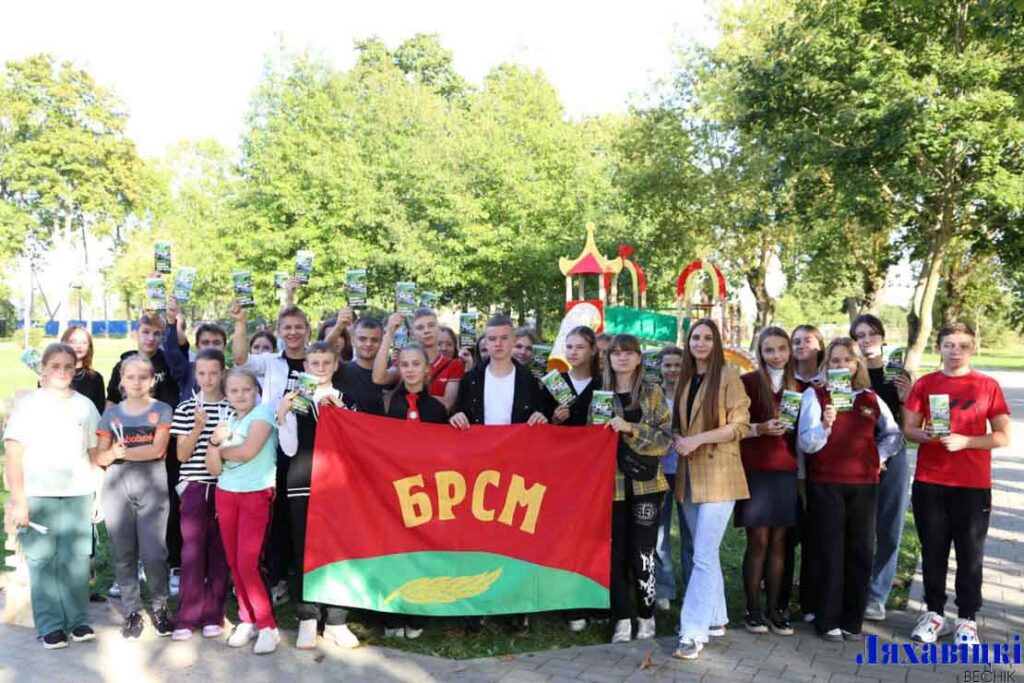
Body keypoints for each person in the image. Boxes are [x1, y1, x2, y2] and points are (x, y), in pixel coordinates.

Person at [904, 322, 1011, 646]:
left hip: (972, 484)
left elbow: (1003, 436)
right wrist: (924, 434)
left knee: (970, 554)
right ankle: (934, 614)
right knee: (933, 551)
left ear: (973, 348)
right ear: (938, 347)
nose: (955, 351)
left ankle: (967, 618)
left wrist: (967, 442)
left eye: (963, 345)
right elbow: (909, 428)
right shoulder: (925, 384)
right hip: (930, 482)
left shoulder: (987, 385)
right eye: (949, 345)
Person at [798, 338, 902, 642]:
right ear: (826, 364)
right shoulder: (815, 395)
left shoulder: (870, 397)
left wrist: (877, 458)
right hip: (826, 482)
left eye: (847, 360)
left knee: (860, 550)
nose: (841, 365)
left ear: (857, 364)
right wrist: (825, 425)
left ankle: (851, 620)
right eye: (835, 360)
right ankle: (826, 618)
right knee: (830, 550)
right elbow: (806, 443)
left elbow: (893, 435)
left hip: (864, 485)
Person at [450, 314, 548, 634]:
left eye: (504, 338)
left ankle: (518, 607)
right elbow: (458, 413)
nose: (498, 344)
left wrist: (542, 416)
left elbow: (546, 415)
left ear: (513, 341)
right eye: (492, 339)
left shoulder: (531, 380)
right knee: (479, 536)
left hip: (519, 468)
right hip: (479, 469)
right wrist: (457, 417)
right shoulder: (471, 379)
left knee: (517, 536)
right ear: (485, 342)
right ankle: (476, 606)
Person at [4, 343, 102, 649]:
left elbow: (93, 455)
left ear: (76, 370)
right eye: (55, 366)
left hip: (78, 492)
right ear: (43, 369)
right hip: (38, 494)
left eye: (68, 366)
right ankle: (50, 625)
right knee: (42, 560)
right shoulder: (29, 406)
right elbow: (13, 455)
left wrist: (97, 493)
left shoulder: (85, 406)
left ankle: (77, 621)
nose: (62, 371)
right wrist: (18, 501)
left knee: (76, 560)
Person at [671, 319, 751, 661]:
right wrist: (679, 438)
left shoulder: (729, 376)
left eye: (707, 338)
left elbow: (740, 426)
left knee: (702, 554)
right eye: (695, 337)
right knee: (707, 552)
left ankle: (692, 632)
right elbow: (682, 425)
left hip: (720, 473)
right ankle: (717, 618)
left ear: (716, 343)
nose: (700, 343)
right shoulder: (685, 379)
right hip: (690, 475)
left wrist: (697, 440)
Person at [277, 342, 361, 650]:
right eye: (315, 363)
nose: (321, 368)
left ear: (336, 365)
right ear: (305, 366)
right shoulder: (295, 399)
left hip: (338, 483)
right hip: (303, 480)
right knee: (305, 551)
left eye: (327, 362)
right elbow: (288, 449)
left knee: (339, 550)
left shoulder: (347, 399)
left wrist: (340, 413)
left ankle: (336, 620)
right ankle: (308, 618)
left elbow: (357, 444)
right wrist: (283, 415)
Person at [231, 301, 311, 603]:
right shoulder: (271, 362)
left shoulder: (316, 361)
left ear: (307, 330)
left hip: (309, 449)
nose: (293, 332)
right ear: (279, 332)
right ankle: (276, 579)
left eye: (298, 327)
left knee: (303, 517)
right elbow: (240, 358)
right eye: (287, 328)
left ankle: (304, 578)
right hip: (274, 447)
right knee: (275, 516)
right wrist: (241, 323)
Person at [369, 341, 449, 639]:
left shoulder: (437, 409)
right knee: (392, 551)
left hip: (425, 491)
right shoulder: (387, 403)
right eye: (404, 364)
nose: (411, 370)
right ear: (398, 368)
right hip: (390, 490)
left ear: (427, 369)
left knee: (420, 551)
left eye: (416, 364)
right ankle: (391, 614)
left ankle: (417, 614)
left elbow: (445, 453)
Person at [95, 354, 175, 640]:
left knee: (154, 553)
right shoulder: (111, 415)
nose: (137, 382)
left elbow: (157, 450)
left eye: (143, 377)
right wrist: (110, 454)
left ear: (152, 380)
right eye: (130, 377)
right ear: (122, 381)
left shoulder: (162, 409)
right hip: (117, 488)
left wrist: (121, 452)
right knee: (124, 553)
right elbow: (100, 456)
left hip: (152, 488)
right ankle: (132, 611)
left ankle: (160, 605)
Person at [205, 367, 281, 655]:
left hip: (255, 494)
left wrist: (219, 449)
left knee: (249, 562)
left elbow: (248, 451)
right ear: (226, 394)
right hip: (227, 494)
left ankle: (268, 625)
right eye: (234, 390)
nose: (240, 395)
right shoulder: (227, 422)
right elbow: (213, 469)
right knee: (234, 562)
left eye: (246, 389)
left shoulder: (262, 413)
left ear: (256, 391)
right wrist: (214, 443)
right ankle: (247, 619)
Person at [602, 334, 671, 645]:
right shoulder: (600, 394)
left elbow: (664, 440)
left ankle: (646, 613)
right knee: (615, 552)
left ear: (639, 358)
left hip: (647, 485)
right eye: (616, 353)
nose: (622, 357)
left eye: (629, 352)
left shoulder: (652, 392)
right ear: (608, 358)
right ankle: (621, 617)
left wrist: (630, 428)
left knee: (643, 552)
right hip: (611, 487)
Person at [106, 314, 182, 597]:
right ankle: (132, 569)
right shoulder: (122, 364)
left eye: (157, 333)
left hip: (164, 448)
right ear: (135, 333)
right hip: (130, 448)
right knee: (128, 513)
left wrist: (174, 319)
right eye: (146, 332)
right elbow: (111, 403)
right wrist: (110, 441)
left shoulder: (168, 361)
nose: (151, 338)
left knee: (166, 509)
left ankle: (172, 567)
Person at [736, 327, 800, 636]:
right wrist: (759, 428)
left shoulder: (800, 386)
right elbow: (733, 425)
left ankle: (776, 610)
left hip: (786, 471)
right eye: (769, 350)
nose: (776, 355)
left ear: (789, 351)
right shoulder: (747, 382)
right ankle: (753, 609)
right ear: (760, 352)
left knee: (779, 543)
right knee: (758, 541)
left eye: (782, 349)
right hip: (755, 470)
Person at [850, 314, 914, 622]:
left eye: (872, 333)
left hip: (894, 454)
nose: (867, 340)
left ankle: (877, 596)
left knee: (889, 526)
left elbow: (911, 421)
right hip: (856, 456)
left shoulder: (897, 374)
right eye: (860, 335)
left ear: (883, 337)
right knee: (856, 526)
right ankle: (852, 588)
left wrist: (907, 398)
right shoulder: (850, 372)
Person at [169, 349, 231, 641]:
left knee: (219, 551)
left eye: (214, 373)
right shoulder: (186, 408)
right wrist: (198, 427)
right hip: (194, 485)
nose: (208, 379)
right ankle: (187, 615)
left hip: (225, 485)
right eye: (202, 373)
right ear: (195, 375)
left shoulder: (233, 406)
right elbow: (181, 455)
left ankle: (213, 614)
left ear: (223, 372)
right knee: (192, 552)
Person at [544, 325, 603, 633]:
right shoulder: (555, 383)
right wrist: (554, 419)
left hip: (597, 474)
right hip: (562, 474)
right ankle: (568, 603)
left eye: (580, 347)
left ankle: (592, 600)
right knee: (564, 536)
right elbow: (541, 428)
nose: (573, 352)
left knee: (593, 537)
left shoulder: (604, 384)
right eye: (569, 347)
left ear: (592, 350)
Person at [781, 324, 826, 622]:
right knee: (786, 537)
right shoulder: (786, 381)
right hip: (788, 466)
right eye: (795, 341)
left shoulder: (831, 380)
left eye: (807, 340)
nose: (800, 345)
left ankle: (811, 601)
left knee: (816, 537)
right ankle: (780, 600)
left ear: (820, 345)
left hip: (824, 470)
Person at [653, 345, 693, 613]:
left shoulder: (692, 396)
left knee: (691, 533)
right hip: (658, 471)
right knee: (659, 534)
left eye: (678, 365)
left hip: (688, 471)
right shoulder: (652, 395)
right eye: (667, 365)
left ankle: (693, 586)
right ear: (659, 368)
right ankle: (664, 589)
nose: (672, 370)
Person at [375, 308, 464, 412]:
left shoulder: (454, 364)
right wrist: (389, 333)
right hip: (405, 421)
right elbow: (379, 378)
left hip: (435, 421)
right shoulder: (405, 362)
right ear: (412, 333)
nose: (426, 331)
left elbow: (446, 405)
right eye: (420, 327)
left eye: (431, 325)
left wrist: (410, 400)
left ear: (438, 328)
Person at [163, 297, 228, 403]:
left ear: (224, 347)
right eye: (205, 343)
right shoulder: (187, 371)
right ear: (197, 347)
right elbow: (171, 351)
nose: (211, 347)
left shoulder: (233, 377)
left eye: (216, 343)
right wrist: (171, 321)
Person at [60, 326, 105, 415]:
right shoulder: (52, 375)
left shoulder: (95, 378)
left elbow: (99, 412)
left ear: (89, 347)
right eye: (73, 342)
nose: (78, 346)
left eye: (84, 342)